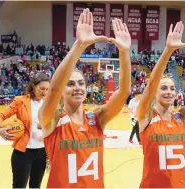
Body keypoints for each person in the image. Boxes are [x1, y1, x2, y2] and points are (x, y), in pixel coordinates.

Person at [38, 9, 131, 188]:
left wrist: (124, 52)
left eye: (81, 83)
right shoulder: (51, 119)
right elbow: (54, 89)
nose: (78, 87)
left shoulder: (96, 118)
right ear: (63, 90)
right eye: (71, 84)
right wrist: (79, 46)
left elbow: (124, 92)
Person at [137, 22, 185, 188]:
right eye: (163, 88)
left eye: (172, 88)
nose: (169, 91)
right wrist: (168, 50)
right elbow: (151, 85)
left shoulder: (182, 117)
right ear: (156, 91)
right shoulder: (146, 116)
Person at [0, 73, 50, 188]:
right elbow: (0, 116)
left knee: (36, 185)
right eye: (42, 88)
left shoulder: (48, 103)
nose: (44, 92)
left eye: (47, 89)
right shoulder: (20, 101)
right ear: (34, 86)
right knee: (19, 186)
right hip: (23, 152)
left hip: (42, 151)